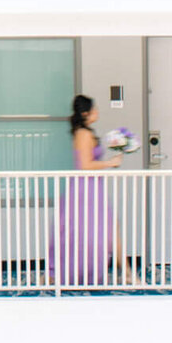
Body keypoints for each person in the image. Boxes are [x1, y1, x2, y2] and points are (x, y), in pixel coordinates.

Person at [48, 93, 134, 287]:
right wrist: (109, 163)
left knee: (106, 228)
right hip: (85, 189)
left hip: (91, 187)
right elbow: (85, 165)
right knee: (102, 229)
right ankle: (126, 273)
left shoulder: (84, 132)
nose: (97, 112)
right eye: (93, 109)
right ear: (85, 113)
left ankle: (125, 272)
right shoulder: (84, 134)